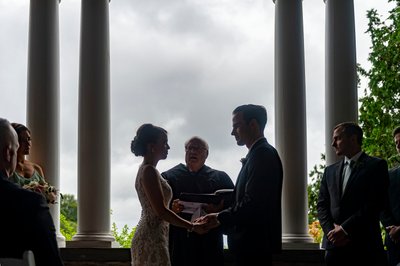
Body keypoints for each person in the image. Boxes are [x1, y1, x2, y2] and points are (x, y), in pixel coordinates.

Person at [198, 104, 283, 266]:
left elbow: (254, 202)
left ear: (253, 125)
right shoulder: (258, 154)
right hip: (250, 246)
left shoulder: (263, 154)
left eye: (236, 126)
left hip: (253, 246)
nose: (232, 132)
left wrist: (219, 217)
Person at [130, 123, 207, 266]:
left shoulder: (147, 170)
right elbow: (161, 212)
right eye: (164, 143)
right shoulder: (149, 171)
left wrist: (172, 209)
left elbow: (158, 209)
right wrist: (192, 226)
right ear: (152, 146)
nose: (168, 147)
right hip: (152, 237)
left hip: (156, 234)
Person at [317, 122, 389, 266]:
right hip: (334, 250)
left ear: (353, 139)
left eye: (337, 138)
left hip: (365, 249)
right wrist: (332, 232)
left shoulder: (377, 166)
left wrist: (344, 229)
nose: (333, 143)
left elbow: (375, 204)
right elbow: (322, 205)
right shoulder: (329, 171)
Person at [161, 136, 234, 266]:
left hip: (209, 242)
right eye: (189, 148)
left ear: (206, 154)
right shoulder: (168, 177)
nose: (192, 151)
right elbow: (159, 209)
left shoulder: (221, 178)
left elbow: (234, 209)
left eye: (197, 148)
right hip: (180, 242)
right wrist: (172, 208)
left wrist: (218, 211)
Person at [0, 117, 64, 266]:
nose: (28, 143)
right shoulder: (31, 203)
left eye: (30, 139)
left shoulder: (36, 169)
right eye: (22, 141)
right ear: (8, 152)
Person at [381, 126, 400, 266]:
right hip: (395, 242)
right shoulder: (389, 175)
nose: (398, 145)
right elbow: (382, 205)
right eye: (396, 142)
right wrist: (392, 229)